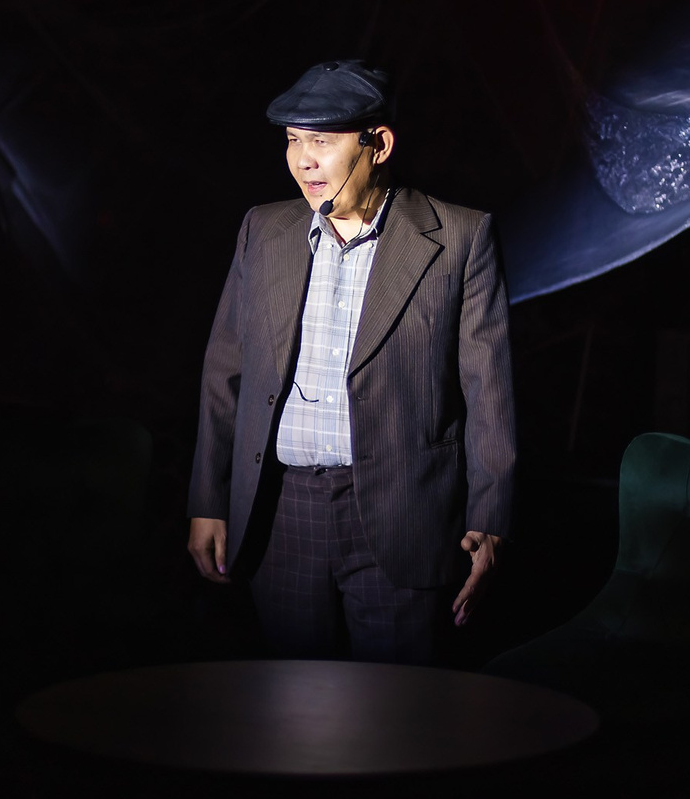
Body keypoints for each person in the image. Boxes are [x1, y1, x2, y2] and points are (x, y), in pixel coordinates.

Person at [185, 59, 516, 664]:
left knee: (397, 706)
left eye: (322, 142)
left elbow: (488, 392)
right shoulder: (264, 229)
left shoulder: (459, 238)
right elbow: (224, 373)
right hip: (281, 513)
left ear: (378, 145)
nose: (302, 161)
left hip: (403, 514)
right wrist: (209, 499)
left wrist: (490, 518)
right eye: (293, 140)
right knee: (291, 704)